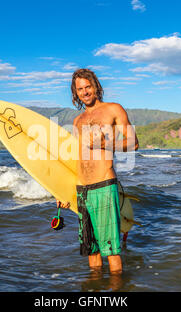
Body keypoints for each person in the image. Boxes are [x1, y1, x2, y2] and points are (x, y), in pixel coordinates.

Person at [57, 68, 139, 274]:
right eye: (80, 89)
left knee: (111, 250)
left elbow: (133, 143)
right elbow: (76, 159)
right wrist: (64, 192)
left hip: (103, 185)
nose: (85, 92)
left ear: (96, 87)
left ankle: (116, 292)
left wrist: (105, 143)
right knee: (91, 249)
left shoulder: (113, 109)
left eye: (88, 87)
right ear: (75, 93)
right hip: (82, 189)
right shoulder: (77, 121)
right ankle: (94, 290)